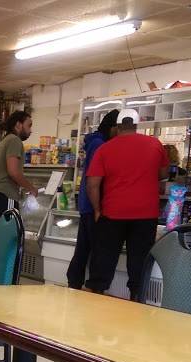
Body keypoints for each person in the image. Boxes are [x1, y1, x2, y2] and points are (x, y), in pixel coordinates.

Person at [85, 109, 169, 298]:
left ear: (118, 126)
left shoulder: (104, 149)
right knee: (140, 263)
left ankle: (95, 296)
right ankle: (137, 301)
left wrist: (97, 209)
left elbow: (92, 184)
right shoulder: (154, 144)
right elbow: (163, 174)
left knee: (103, 261)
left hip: (112, 213)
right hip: (146, 214)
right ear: (136, 125)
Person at [66, 109, 118, 290]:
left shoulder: (94, 142)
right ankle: (90, 287)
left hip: (86, 203)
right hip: (93, 203)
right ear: (113, 127)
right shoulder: (100, 145)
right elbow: (95, 179)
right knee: (96, 249)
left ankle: (74, 282)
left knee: (83, 247)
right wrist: (98, 208)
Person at [0, 110, 40, 217]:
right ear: (18, 125)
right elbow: (13, 172)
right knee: (9, 227)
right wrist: (31, 188)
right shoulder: (14, 140)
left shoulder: (5, 140)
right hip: (6, 195)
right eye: (29, 126)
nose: (30, 131)